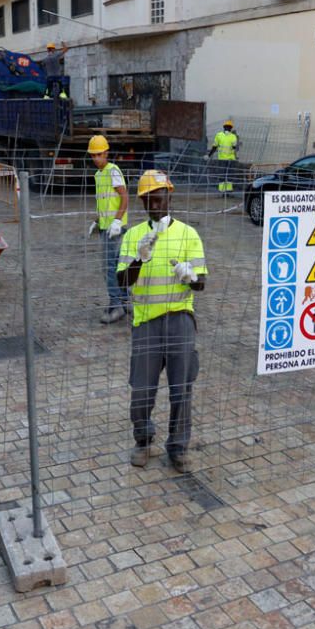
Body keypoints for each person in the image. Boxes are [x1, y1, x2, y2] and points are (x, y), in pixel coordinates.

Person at [116, 170, 207, 473]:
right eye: (149, 200)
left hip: (180, 319)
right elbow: (121, 281)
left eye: (160, 197)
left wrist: (190, 275)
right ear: (142, 202)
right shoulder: (133, 236)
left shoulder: (188, 234)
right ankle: (143, 440)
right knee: (142, 389)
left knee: (182, 387)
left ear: (170, 196)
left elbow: (200, 284)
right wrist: (139, 259)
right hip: (146, 323)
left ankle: (178, 447)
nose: (155, 204)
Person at [86, 135, 128, 324]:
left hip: (115, 229)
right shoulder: (98, 175)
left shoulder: (113, 171)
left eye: (99, 154)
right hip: (106, 228)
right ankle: (125, 301)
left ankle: (116, 305)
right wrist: (97, 221)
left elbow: (124, 197)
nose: (96, 158)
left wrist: (117, 221)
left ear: (107, 153)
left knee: (110, 268)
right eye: (93, 155)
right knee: (118, 266)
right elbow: (104, 202)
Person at [206, 119, 240, 193]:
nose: (228, 128)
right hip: (230, 159)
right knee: (228, 175)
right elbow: (235, 148)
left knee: (223, 175)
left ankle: (223, 190)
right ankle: (227, 190)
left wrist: (209, 155)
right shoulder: (233, 137)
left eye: (228, 127)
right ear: (231, 128)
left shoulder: (219, 135)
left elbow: (214, 147)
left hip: (223, 159)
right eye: (228, 127)